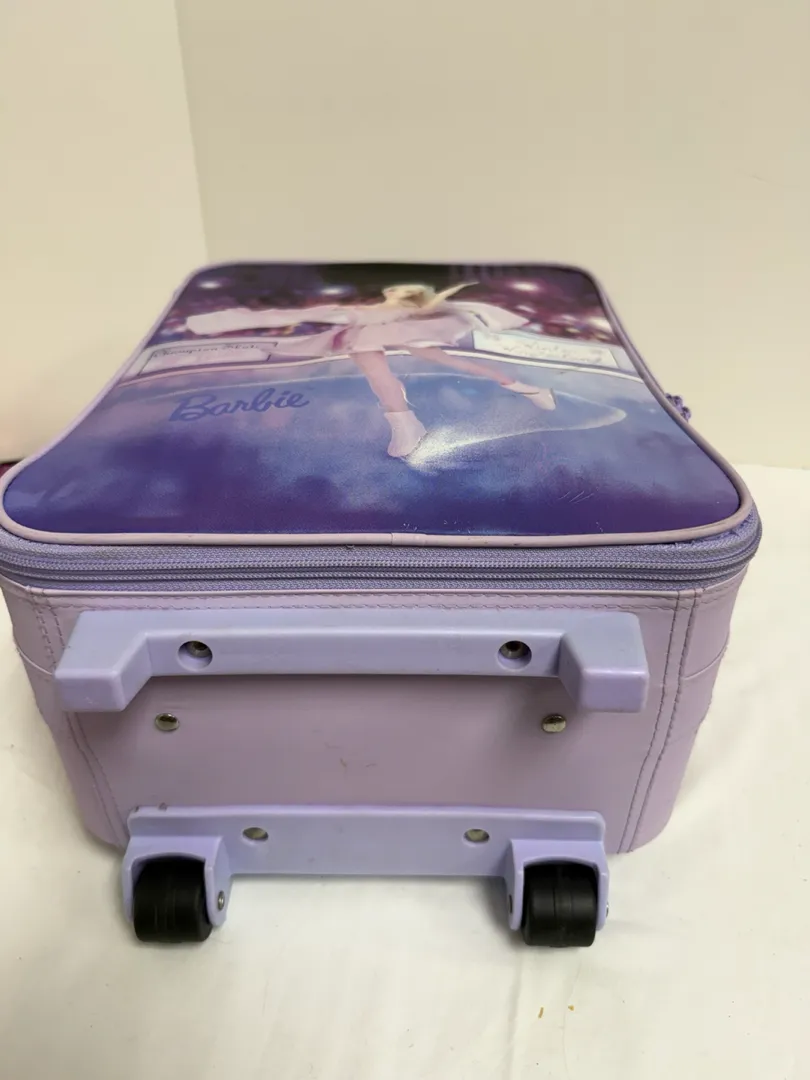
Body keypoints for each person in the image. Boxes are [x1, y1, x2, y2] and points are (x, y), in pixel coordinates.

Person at [185, 282, 556, 458]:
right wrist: (219, 321)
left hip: (404, 328)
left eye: (396, 295)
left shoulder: (405, 309)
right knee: (382, 357)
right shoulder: (368, 312)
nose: (389, 296)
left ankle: (407, 419)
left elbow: (294, 313)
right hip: (385, 329)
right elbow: (290, 314)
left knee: (428, 357)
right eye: (388, 295)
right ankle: (405, 420)